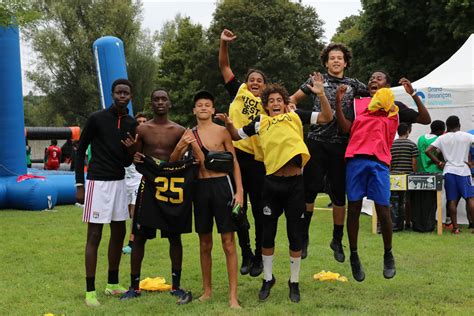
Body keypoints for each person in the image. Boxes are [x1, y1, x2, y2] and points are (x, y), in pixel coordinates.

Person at [217, 78, 333, 303]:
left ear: (284, 102)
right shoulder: (260, 122)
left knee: (294, 236)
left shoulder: (295, 115)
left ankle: (294, 281)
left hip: (295, 186)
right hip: (271, 184)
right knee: (267, 235)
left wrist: (320, 95)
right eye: (272, 101)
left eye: (279, 100)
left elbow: (326, 117)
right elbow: (236, 135)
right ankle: (268, 279)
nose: (276, 103)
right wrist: (230, 124)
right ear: (266, 105)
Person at [290, 43, 369, 262]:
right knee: (310, 191)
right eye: (332, 58)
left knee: (338, 194)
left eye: (340, 58)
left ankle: (336, 239)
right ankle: (303, 237)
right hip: (316, 141)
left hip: (341, 144)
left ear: (346, 62)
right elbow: (292, 100)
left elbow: (375, 95)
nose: (336, 61)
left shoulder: (354, 84)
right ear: (326, 62)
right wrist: (303, 116)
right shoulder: (317, 80)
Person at [120, 89, 193, 304]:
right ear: (151, 103)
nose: (160, 102)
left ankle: (176, 285)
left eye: (164, 99)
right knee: (140, 236)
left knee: (174, 236)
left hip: (171, 187)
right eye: (156, 99)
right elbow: (135, 160)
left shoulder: (179, 130)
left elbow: (184, 160)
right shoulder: (142, 129)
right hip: (148, 187)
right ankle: (134, 287)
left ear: (170, 103)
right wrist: (131, 150)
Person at [75, 78, 137, 307]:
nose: (122, 96)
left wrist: (132, 151)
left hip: (119, 182)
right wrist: (79, 185)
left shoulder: (131, 123)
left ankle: (112, 284)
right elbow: (80, 150)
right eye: (119, 92)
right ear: (112, 94)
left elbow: (127, 160)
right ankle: (90, 291)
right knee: (94, 235)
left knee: (119, 233)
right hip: (97, 183)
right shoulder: (97, 118)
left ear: (130, 96)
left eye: (126, 93)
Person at [335, 85, 399, 282]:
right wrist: (338, 102)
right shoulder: (361, 115)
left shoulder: (392, 116)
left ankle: (388, 254)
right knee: (353, 208)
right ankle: (354, 255)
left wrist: (413, 94)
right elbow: (345, 128)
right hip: (355, 161)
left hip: (379, 163)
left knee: (383, 210)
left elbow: (423, 118)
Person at [187, 91, 243, 309]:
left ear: (212, 109)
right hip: (200, 189)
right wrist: (185, 144)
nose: (203, 107)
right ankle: (207, 290)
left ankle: (233, 297)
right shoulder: (188, 133)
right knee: (204, 243)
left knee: (228, 243)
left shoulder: (222, 132)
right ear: (194, 110)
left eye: (207, 104)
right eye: (199, 104)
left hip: (222, 186)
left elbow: (235, 162)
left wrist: (239, 191)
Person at [219, 28, 267, 276]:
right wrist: (224, 44)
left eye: (260, 80)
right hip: (235, 156)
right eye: (252, 79)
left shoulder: (270, 103)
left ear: (266, 86)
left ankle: (259, 255)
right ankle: (246, 252)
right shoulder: (239, 91)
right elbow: (225, 66)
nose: (255, 82)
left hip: (258, 162)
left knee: (259, 210)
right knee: (237, 207)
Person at [425, 115, 474, 234]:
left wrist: (439, 162)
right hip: (463, 171)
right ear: (459, 125)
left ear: (447, 126)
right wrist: (472, 163)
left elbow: (427, 150)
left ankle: (455, 228)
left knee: (451, 200)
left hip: (449, 171)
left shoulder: (442, 138)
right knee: (470, 199)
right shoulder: (466, 136)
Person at [122, 112, 148, 255]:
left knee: (134, 212)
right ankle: (138, 236)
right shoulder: (128, 139)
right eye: (139, 121)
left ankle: (132, 243)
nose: (142, 123)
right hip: (125, 181)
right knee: (127, 214)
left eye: (145, 121)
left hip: (139, 180)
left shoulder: (148, 141)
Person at [390, 123, 419, 230]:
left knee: (394, 200)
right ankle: (407, 222)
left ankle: (395, 222)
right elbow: (414, 163)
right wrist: (414, 174)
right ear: (408, 131)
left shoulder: (392, 145)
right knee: (407, 201)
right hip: (407, 176)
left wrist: (390, 173)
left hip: (394, 176)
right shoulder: (412, 145)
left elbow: (389, 162)